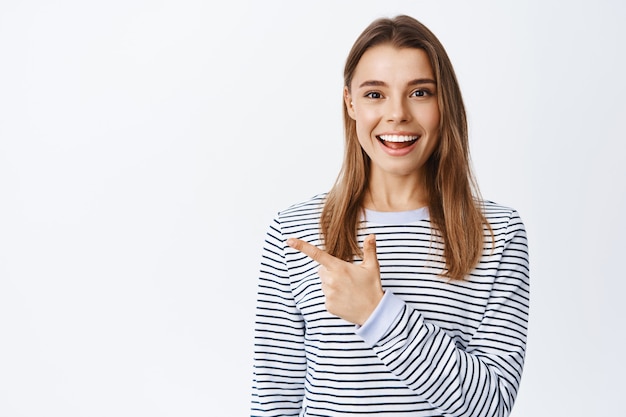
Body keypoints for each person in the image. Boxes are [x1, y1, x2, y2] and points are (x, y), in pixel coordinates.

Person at [251, 14, 529, 417]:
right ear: (350, 103)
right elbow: (275, 402)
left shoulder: (496, 234)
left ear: (443, 103)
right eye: (375, 94)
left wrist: (377, 313)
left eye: (419, 92)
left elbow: (490, 406)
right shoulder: (295, 232)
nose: (397, 114)